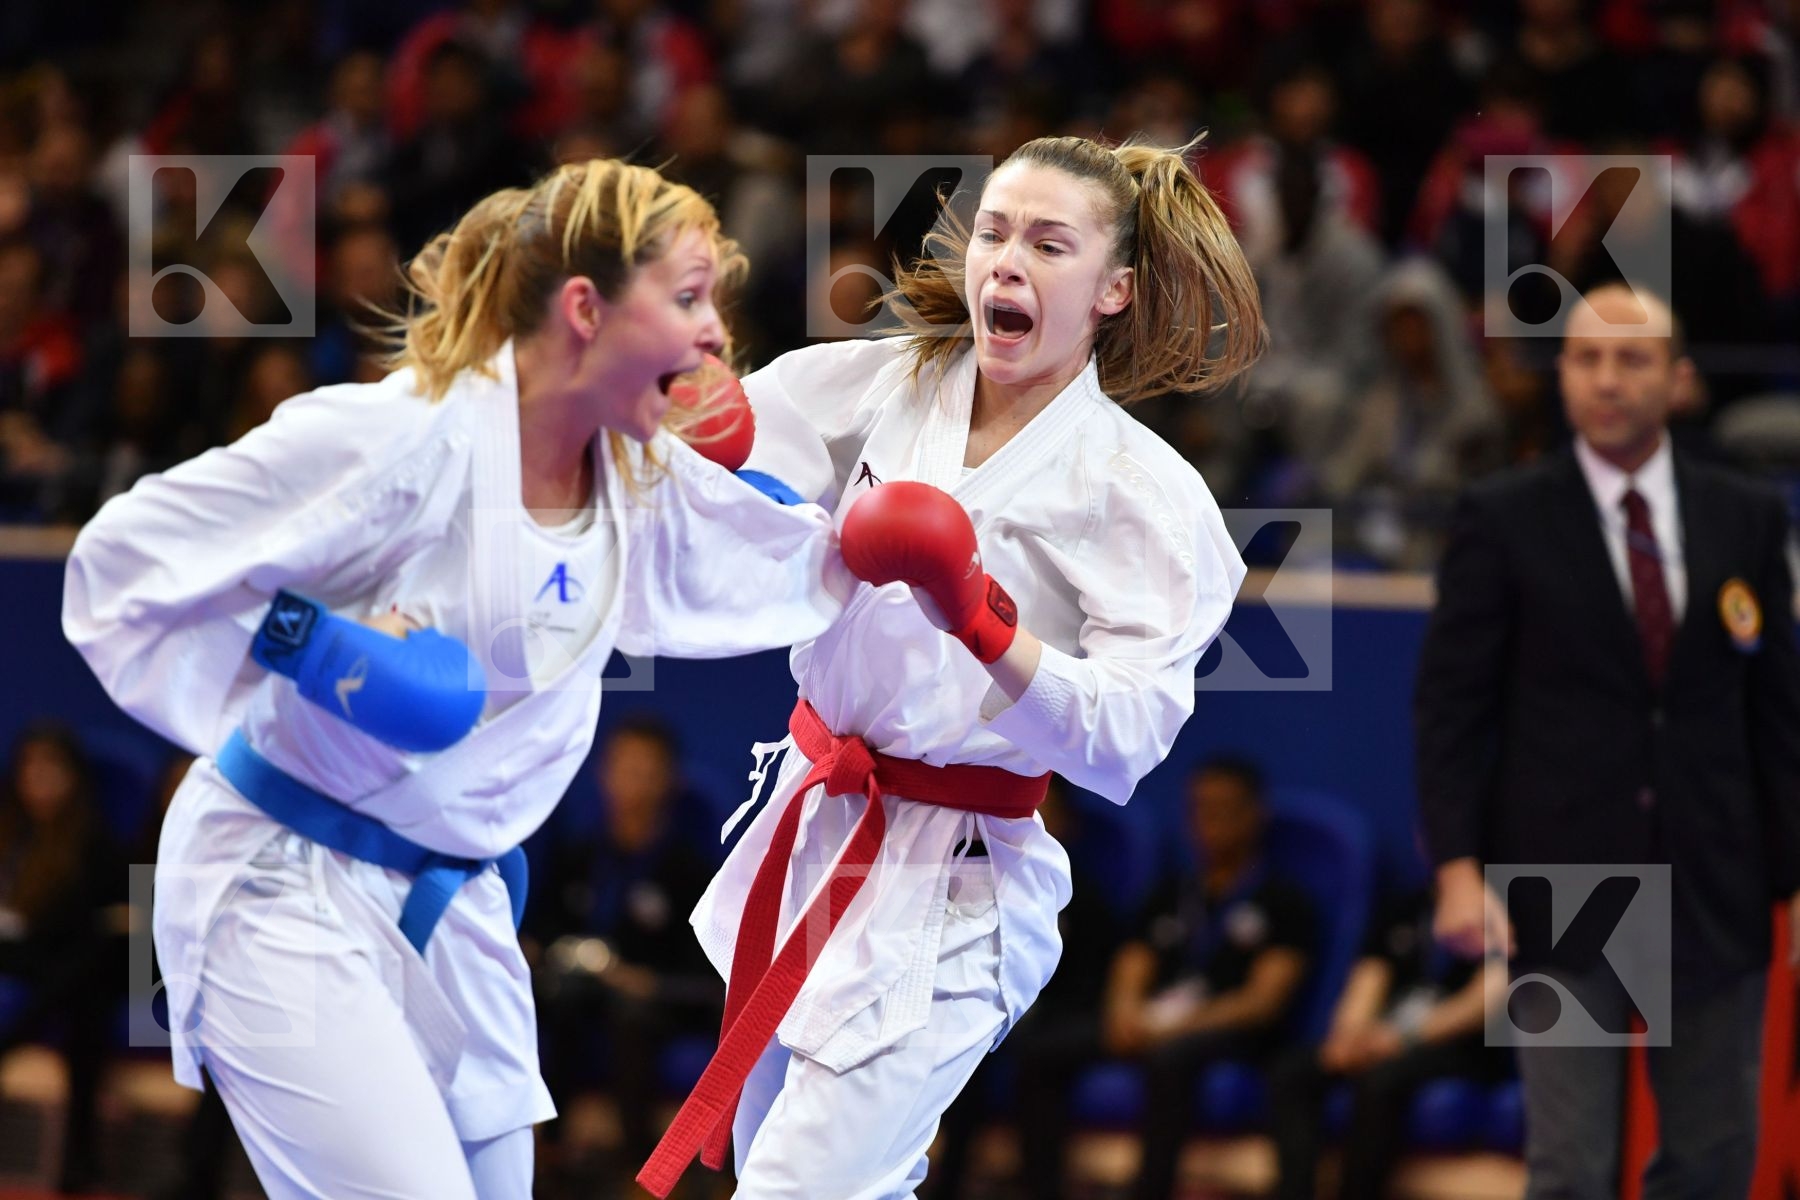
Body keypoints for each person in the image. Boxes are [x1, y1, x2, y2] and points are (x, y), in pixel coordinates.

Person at [62, 157, 849, 1199]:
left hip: (458, 908)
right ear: (585, 308)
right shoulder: (400, 437)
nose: (716, 337)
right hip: (280, 885)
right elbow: (118, 569)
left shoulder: (635, 480)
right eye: (689, 297)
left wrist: (911, 558)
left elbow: (791, 571)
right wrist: (318, 645)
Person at [641, 133, 1264, 1198]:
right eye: (995, 232)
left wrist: (982, 623)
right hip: (814, 823)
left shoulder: (1144, 497)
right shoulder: (878, 383)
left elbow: (1126, 741)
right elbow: (721, 494)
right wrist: (685, 423)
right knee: (802, 1174)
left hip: (959, 878)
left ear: (1114, 289)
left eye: (1050, 245)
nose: (1007, 262)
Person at [1416, 283, 1800, 1200]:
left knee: (1711, 1157)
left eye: (1632, 360)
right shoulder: (1502, 516)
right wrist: (1459, 867)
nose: (1607, 380)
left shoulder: (1743, 516)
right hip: (1562, 882)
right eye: (1587, 359)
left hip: (1717, 878)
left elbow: (1779, 713)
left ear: (1678, 379)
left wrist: (1793, 874)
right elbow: (1452, 707)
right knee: (1571, 1166)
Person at [528, 715, 722, 1180]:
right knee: (546, 1001)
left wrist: (642, 980)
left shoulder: (689, 872)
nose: (631, 782)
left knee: (628, 1015)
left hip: (654, 1006)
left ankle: (640, 1172)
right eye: (623, 767)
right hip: (578, 994)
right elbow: (543, 932)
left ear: (668, 782)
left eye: (645, 770)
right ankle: (544, 1162)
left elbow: (709, 972)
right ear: (604, 774)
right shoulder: (580, 855)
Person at [1267, 883, 1505, 1200]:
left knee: (1380, 1080)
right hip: (1386, 1037)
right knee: (1293, 1072)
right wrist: (1349, 1037)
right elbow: (1368, 978)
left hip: (1461, 1045)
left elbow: (1483, 1003)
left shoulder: (1505, 908)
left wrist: (1401, 1038)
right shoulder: (1406, 907)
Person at [0, 724, 123, 1194]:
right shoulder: (10, 831)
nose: (38, 778)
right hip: (15, 963)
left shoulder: (96, 844)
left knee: (86, 991)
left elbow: (103, 934)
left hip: (67, 972)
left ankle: (81, 1157)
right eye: (29, 767)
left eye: (51, 767)